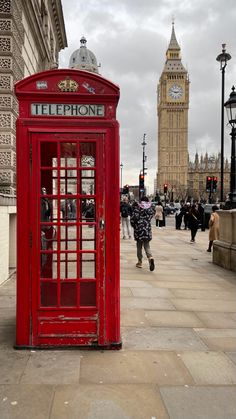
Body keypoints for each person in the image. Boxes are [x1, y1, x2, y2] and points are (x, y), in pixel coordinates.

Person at [130, 196, 155, 271]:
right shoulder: (150, 209)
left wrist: (135, 226)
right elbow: (151, 216)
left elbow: (133, 219)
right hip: (147, 229)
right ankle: (150, 258)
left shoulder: (137, 208)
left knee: (139, 246)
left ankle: (140, 262)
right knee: (147, 246)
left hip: (139, 229)